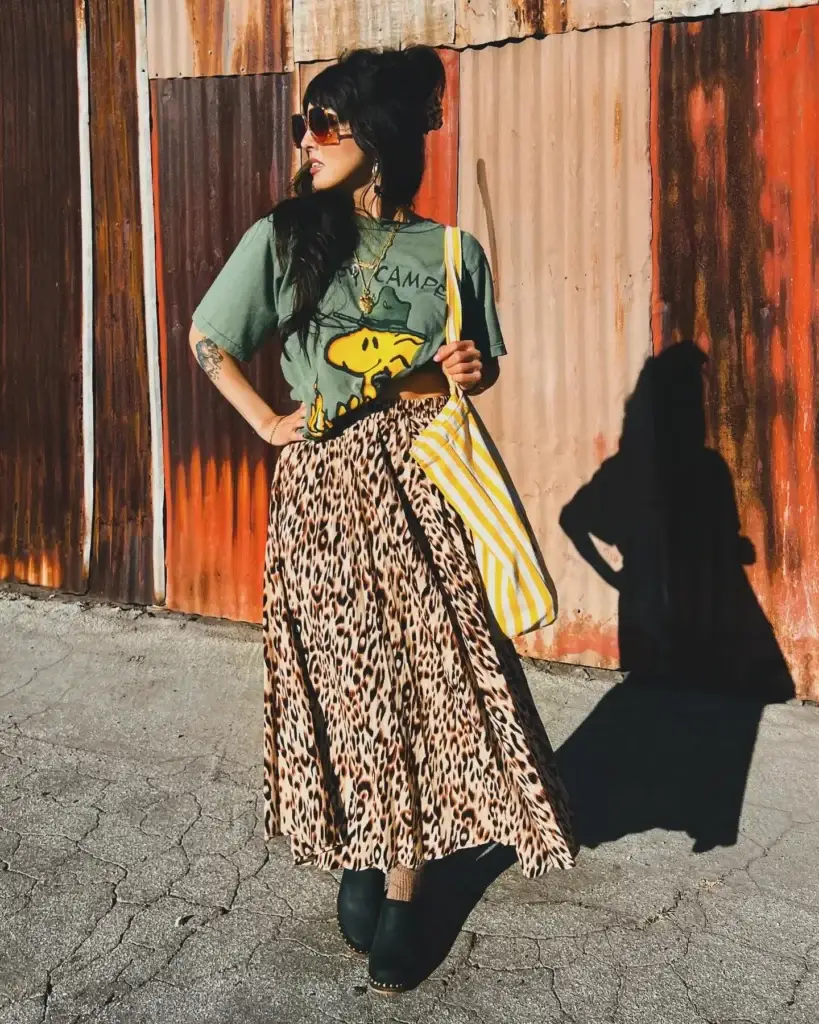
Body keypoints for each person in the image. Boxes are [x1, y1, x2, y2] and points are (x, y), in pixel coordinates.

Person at [189, 45, 575, 994]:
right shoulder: (286, 237)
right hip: (322, 490)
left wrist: (473, 371)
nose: (306, 140)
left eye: (327, 122)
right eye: (303, 124)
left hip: (423, 474)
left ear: (382, 136)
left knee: (416, 673)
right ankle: (366, 841)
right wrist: (273, 423)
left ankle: (406, 881)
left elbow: (477, 359)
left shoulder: (449, 251)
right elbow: (210, 336)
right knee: (340, 672)